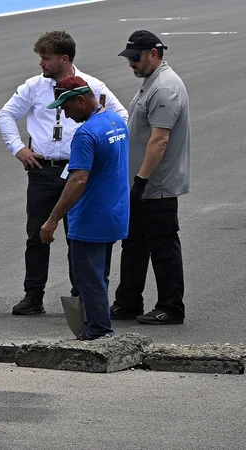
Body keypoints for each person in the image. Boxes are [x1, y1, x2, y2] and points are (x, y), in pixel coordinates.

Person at [0, 30, 129, 316]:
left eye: (46, 58)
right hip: (43, 169)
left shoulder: (91, 86)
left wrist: (100, 151)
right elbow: (5, 114)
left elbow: (122, 117)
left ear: (64, 59)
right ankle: (33, 295)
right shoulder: (33, 87)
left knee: (77, 235)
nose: (41, 63)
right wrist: (19, 149)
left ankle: (81, 294)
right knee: (36, 233)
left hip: (79, 168)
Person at [40, 76, 130, 340]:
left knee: (88, 279)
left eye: (66, 108)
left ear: (81, 100)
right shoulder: (116, 122)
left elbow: (78, 178)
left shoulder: (86, 133)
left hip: (90, 217)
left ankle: (98, 333)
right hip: (113, 213)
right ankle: (98, 328)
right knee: (99, 277)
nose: (66, 115)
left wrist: (53, 219)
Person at [111, 30, 190, 325]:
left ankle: (171, 307)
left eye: (135, 57)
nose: (131, 63)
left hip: (156, 184)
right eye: (129, 58)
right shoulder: (151, 82)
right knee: (134, 244)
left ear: (153, 54)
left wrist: (141, 180)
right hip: (140, 182)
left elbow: (160, 140)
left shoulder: (165, 88)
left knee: (162, 244)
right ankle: (128, 301)